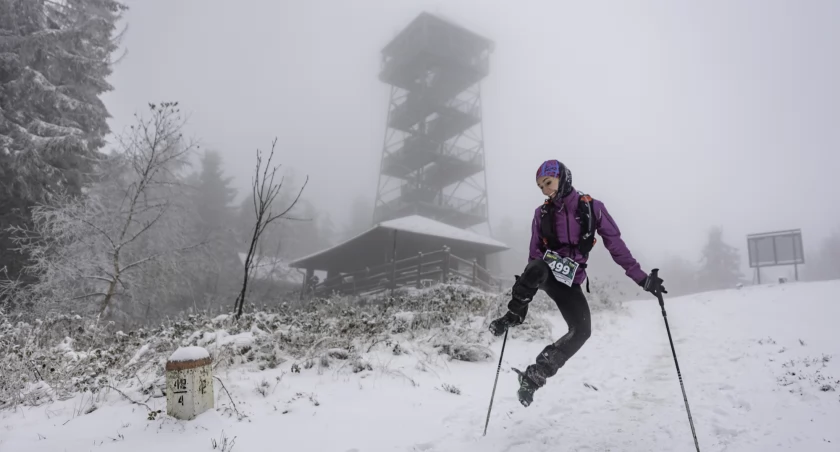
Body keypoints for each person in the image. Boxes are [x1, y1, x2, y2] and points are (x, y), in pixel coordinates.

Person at [489, 159, 666, 407]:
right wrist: (525, 292)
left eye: (548, 183)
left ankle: (535, 375)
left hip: (571, 283)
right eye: (540, 187)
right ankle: (513, 316)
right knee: (537, 266)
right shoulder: (541, 214)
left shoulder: (593, 209)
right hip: (547, 274)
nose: (545, 190)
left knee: (582, 331)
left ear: (564, 178)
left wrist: (643, 279)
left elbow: (615, 246)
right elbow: (534, 255)